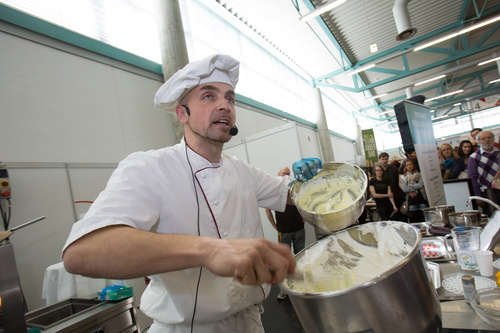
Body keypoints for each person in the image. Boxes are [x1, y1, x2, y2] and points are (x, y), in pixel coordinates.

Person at [62, 54, 320, 333]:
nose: (224, 105)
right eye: (209, 96)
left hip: (250, 322)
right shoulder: (148, 167)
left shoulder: (243, 172)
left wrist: (311, 179)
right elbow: (81, 253)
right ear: (182, 113)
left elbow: (293, 194)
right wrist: (208, 250)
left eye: (230, 98)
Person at [265, 167, 305, 300]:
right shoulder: (274, 192)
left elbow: (303, 204)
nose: (286, 176)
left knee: (302, 257)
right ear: (278, 174)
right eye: (284, 173)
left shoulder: (295, 190)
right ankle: (285, 290)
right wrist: (274, 226)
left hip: (299, 229)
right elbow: (267, 210)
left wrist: (304, 219)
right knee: (283, 261)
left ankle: (303, 286)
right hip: (284, 231)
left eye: (288, 174)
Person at [468, 130, 500, 217]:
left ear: (493, 139)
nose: (487, 140)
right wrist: (478, 197)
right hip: (486, 194)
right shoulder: (473, 157)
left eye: (489, 137)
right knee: (492, 219)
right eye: (483, 139)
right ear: (478, 142)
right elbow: (472, 178)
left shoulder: (499, 153)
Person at [378, 152, 406, 222]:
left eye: (386, 159)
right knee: (390, 219)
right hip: (386, 199)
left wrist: (402, 193)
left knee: (401, 217)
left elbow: (399, 181)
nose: (384, 161)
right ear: (379, 160)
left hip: (397, 196)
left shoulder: (393, 169)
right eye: (383, 159)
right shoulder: (378, 171)